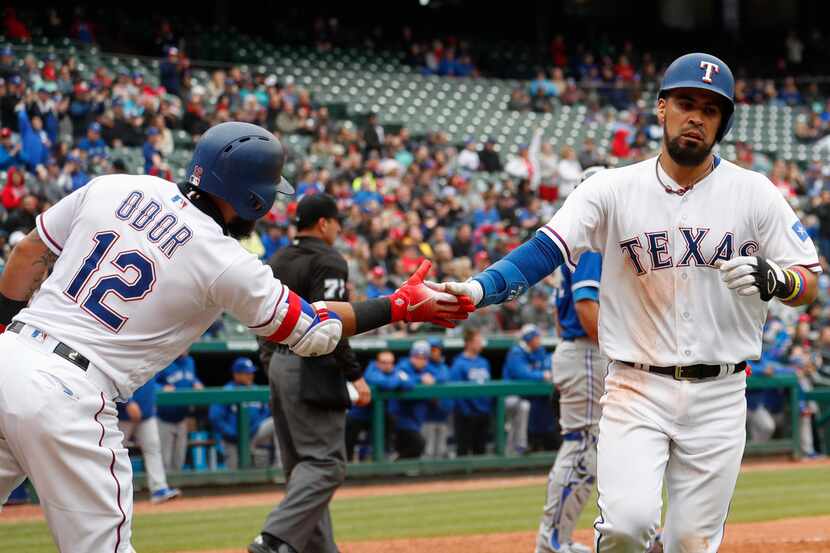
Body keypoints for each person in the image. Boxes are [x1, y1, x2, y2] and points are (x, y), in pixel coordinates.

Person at [0, 121, 472, 553]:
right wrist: (398, 306)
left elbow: (27, 254)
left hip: (10, 351)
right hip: (72, 394)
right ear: (254, 199)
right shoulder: (225, 258)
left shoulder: (116, 185)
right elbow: (315, 330)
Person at [429, 53, 820, 553]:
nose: (696, 116)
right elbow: (546, 248)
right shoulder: (611, 189)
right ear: (661, 109)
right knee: (625, 528)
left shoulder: (754, 193)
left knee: (688, 543)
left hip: (721, 394)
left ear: (723, 121)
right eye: (685, 103)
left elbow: (808, 281)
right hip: (637, 387)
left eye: (711, 108)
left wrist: (776, 279)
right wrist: (480, 289)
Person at [250, 191, 456, 553]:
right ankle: (273, 539)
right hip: (312, 364)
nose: (339, 230)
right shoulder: (328, 259)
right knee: (325, 465)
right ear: (324, 223)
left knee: (303, 471)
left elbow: (264, 319)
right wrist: (355, 374)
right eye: (337, 223)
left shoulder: (279, 258)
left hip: (279, 361)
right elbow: (330, 323)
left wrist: (272, 362)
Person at [536, 166, 607, 553]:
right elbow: (586, 305)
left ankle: (559, 537)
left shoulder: (578, 239)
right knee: (583, 445)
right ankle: (553, 540)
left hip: (578, 349)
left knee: (597, 446)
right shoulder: (593, 240)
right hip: (587, 349)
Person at [117, 379, 182, 504]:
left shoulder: (151, 360)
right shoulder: (128, 359)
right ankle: (113, 492)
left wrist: (161, 387)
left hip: (147, 413)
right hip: (124, 415)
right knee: (115, 454)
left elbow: (151, 380)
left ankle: (159, 489)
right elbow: (116, 380)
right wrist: (128, 403)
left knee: (153, 450)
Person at [208, 357, 273, 470]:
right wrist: (232, 433)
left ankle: (279, 467)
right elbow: (215, 417)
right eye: (246, 373)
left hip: (254, 435)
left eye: (251, 373)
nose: (250, 376)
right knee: (234, 472)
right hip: (232, 439)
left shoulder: (256, 389)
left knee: (275, 423)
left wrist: (255, 426)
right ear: (236, 374)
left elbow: (266, 411)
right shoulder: (227, 391)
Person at [502, 324, 552, 456]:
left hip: (529, 396)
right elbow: (522, 374)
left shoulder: (538, 350)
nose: (539, 340)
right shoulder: (516, 352)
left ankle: (535, 444)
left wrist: (543, 372)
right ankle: (513, 450)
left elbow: (547, 364)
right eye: (536, 337)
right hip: (511, 395)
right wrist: (541, 375)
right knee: (523, 407)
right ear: (529, 339)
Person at [155, 353, 203, 472]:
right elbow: (150, 383)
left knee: (179, 461)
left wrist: (197, 383)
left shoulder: (190, 361)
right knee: (164, 462)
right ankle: (165, 488)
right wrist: (161, 388)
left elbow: (192, 377)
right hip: (164, 418)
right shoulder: (162, 358)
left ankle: (176, 488)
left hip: (182, 418)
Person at [450, 328, 492, 456]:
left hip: (483, 413)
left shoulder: (484, 362)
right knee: (463, 450)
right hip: (466, 415)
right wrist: (467, 411)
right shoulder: (459, 363)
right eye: (477, 341)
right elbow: (456, 391)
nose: (480, 343)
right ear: (468, 343)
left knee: (481, 451)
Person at [422, 337, 452, 459]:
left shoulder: (444, 366)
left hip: (444, 415)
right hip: (428, 416)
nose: (434, 352)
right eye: (431, 349)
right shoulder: (424, 365)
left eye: (436, 349)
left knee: (441, 451)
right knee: (428, 451)